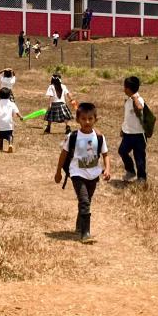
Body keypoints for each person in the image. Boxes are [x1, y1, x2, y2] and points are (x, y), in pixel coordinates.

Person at [54, 102, 111, 244]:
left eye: (90, 119)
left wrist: (107, 169)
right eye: (84, 118)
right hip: (77, 173)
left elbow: (105, 154)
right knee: (84, 200)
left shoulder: (99, 137)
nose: (87, 122)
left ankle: (79, 225)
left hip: (93, 174)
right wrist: (58, 172)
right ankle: (85, 233)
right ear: (77, 120)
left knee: (87, 201)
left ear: (95, 119)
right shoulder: (72, 136)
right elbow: (64, 154)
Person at [119, 76, 147, 184]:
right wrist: (123, 128)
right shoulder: (128, 101)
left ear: (128, 89)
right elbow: (127, 117)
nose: (124, 89)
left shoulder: (139, 99)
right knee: (122, 151)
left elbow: (139, 108)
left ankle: (142, 178)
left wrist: (135, 97)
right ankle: (130, 171)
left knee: (139, 157)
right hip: (128, 133)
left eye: (125, 87)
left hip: (138, 135)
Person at [0, 88, 22, 153]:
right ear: (9, 95)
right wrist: (21, 117)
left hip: (1, 124)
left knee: (0, 137)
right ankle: (10, 144)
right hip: (9, 124)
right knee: (10, 135)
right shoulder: (11, 103)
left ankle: (0, 148)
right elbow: (17, 112)